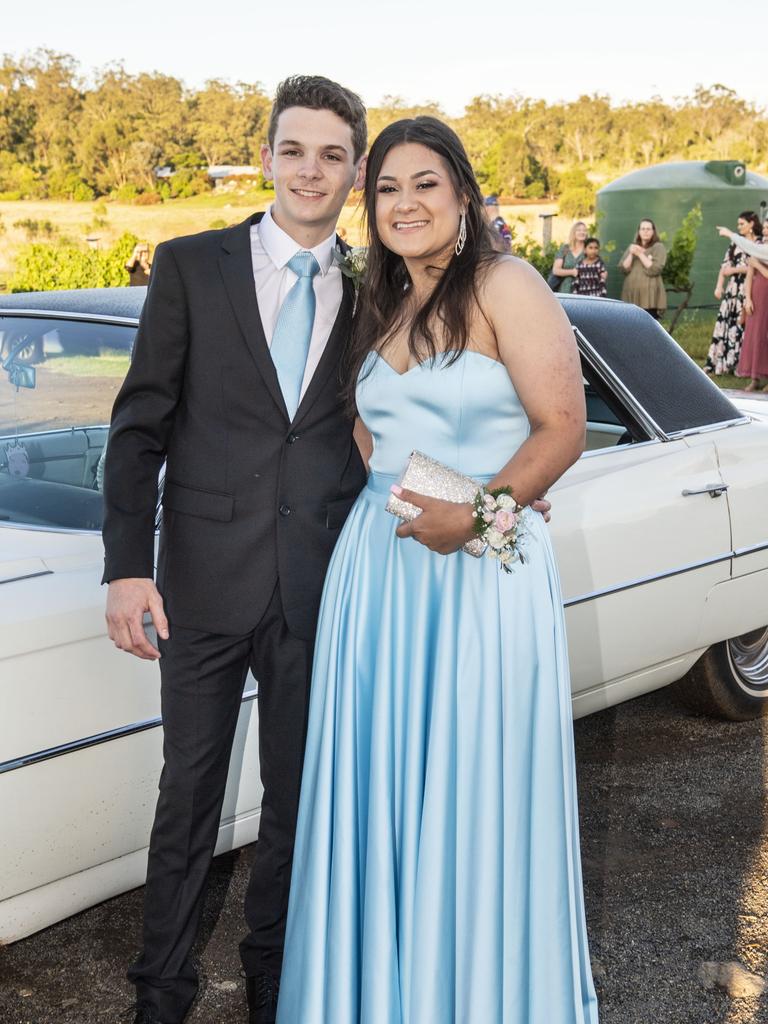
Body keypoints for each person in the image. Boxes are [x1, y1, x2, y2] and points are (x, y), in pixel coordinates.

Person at [277, 116, 599, 1023]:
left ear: (463, 195)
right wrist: (427, 490)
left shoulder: (508, 283)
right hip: (381, 580)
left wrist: (484, 511)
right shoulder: (379, 304)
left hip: (481, 576)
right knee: (378, 796)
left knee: (473, 798)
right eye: (386, 188)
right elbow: (375, 436)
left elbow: (562, 427)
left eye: (425, 183)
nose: (404, 203)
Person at [101, 76, 371, 1024]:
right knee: (188, 800)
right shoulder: (189, 266)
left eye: (332, 155)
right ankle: (161, 992)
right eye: (295, 150)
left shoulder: (378, 292)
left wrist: (501, 497)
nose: (311, 170)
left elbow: (403, 430)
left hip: (320, 586)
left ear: (356, 171)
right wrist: (127, 565)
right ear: (267, 157)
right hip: (200, 586)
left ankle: (274, 979)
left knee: (298, 804)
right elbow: (138, 428)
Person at [705, 211, 762, 375]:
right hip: (732, 290)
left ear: (751, 224)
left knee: (742, 326)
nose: (739, 227)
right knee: (726, 324)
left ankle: (740, 365)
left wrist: (735, 269)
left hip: (749, 288)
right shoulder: (735, 244)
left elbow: (753, 265)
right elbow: (725, 266)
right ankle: (719, 363)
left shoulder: (759, 244)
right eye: (738, 225)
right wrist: (719, 286)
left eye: (742, 224)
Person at [736, 222, 768, 391]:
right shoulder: (758, 248)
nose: (765, 231)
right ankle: (755, 377)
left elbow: (759, 269)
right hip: (757, 294)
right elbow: (749, 275)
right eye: (765, 227)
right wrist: (747, 298)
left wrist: (758, 265)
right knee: (754, 334)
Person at [619, 219, 667, 318]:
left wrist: (640, 254)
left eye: (648, 229)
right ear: (639, 231)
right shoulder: (632, 247)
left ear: (653, 231)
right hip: (631, 296)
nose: (645, 231)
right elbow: (623, 268)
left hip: (649, 298)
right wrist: (631, 254)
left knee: (648, 326)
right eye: (643, 229)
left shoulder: (658, 247)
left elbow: (655, 269)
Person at [549, 220, 587, 292]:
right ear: (574, 233)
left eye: (584, 230)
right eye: (579, 230)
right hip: (565, 289)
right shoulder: (565, 249)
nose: (582, 232)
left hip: (583, 290)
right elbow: (556, 270)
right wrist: (572, 272)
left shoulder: (588, 250)